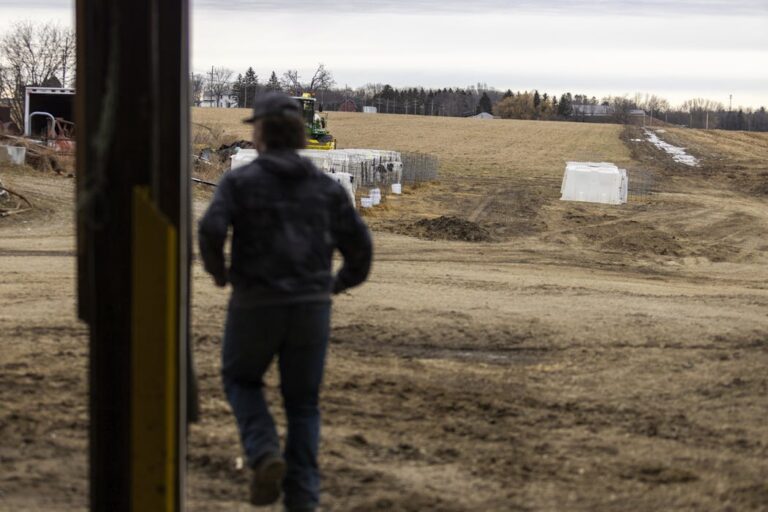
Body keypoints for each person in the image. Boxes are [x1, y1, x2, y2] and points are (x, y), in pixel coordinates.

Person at [198, 92, 372, 511]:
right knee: (303, 405)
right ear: (299, 134)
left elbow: (210, 229)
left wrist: (221, 274)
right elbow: (361, 250)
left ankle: (262, 453)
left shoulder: (239, 181)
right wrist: (333, 285)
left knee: (241, 380)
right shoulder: (327, 188)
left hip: (255, 301)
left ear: (259, 133)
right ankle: (303, 500)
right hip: (311, 308)